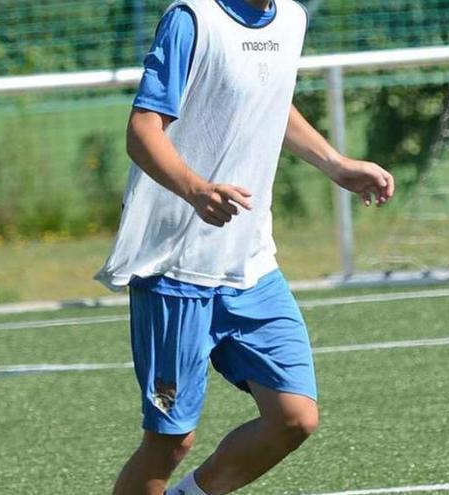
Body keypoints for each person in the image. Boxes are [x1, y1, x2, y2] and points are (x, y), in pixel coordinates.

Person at [95, 0, 394, 493]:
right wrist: (195, 189)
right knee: (171, 441)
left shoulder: (291, 19)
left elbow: (269, 95)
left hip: (250, 264)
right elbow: (142, 130)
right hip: (176, 269)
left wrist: (336, 164)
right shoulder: (193, 19)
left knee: (293, 416)